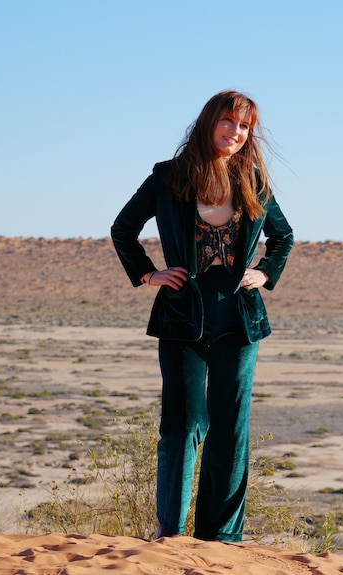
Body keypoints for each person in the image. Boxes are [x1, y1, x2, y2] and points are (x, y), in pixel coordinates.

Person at [110, 90, 293, 542]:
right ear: (210, 122)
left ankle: (222, 541)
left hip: (239, 319)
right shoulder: (168, 178)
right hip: (181, 318)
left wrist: (265, 274)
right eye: (228, 122)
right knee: (183, 423)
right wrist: (149, 275)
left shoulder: (254, 181)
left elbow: (283, 237)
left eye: (244, 127)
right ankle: (169, 534)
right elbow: (123, 229)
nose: (235, 132)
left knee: (231, 431)